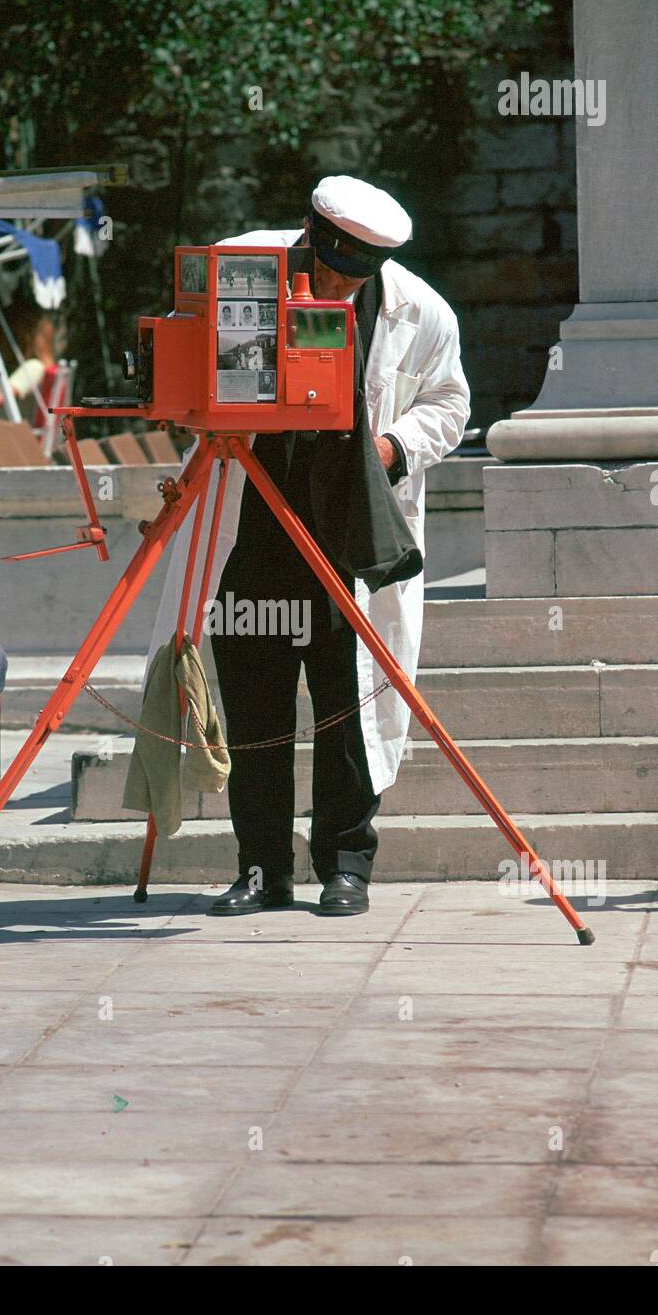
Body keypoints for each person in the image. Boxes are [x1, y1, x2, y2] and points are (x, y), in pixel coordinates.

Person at [145, 175, 470, 917]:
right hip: (250, 527)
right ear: (307, 234)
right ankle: (261, 868)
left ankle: (346, 865)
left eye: (350, 276)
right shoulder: (239, 268)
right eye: (323, 265)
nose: (331, 283)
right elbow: (181, 344)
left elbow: (452, 404)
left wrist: (388, 448)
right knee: (256, 705)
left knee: (347, 705)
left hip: (343, 535)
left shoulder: (422, 312)